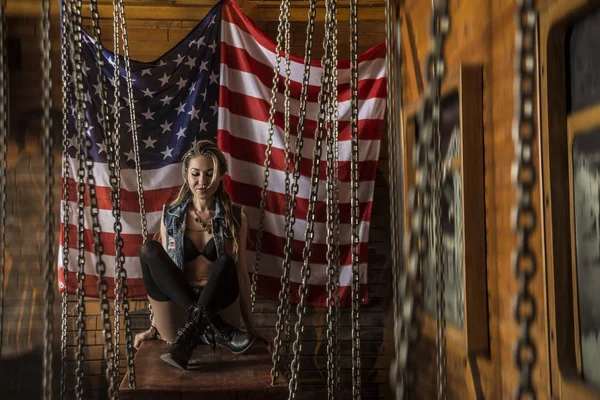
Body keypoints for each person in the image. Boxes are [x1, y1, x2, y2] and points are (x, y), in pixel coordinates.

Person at [133, 140, 264, 370]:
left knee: (226, 263)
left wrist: (251, 326)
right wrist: (154, 326)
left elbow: (241, 273)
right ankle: (216, 328)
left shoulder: (236, 216)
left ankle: (193, 333)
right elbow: (164, 275)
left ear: (221, 175)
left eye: (209, 174)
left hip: (219, 302)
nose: (201, 182)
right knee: (149, 250)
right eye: (195, 174)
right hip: (178, 308)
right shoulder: (171, 215)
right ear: (186, 175)